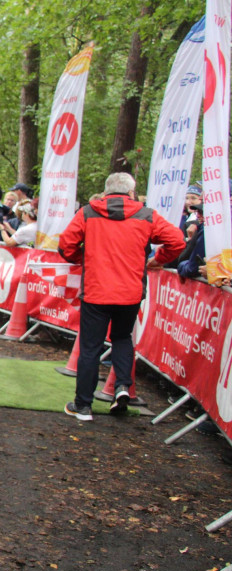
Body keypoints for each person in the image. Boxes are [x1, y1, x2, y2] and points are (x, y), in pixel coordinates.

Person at [58, 172, 184, 421]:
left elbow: (65, 245)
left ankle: (83, 405)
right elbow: (177, 240)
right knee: (122, 338)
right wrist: (157, 260)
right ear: (131, 192)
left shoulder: (87, 212)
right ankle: (123, 388)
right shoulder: (146, 215)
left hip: (96, 290)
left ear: (105, 192)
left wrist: (83, 259)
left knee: (90, 347)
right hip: (130, 291)